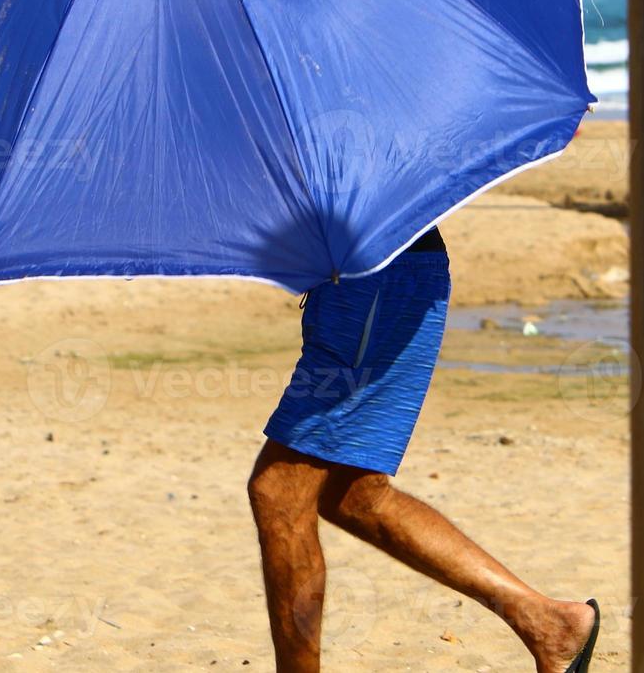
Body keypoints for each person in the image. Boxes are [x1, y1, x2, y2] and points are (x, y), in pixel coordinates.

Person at [248, 227, 600, 672]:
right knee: (353, 494)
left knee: (278, 493)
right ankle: (549, 624)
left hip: (372, 276)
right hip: (365, 280)